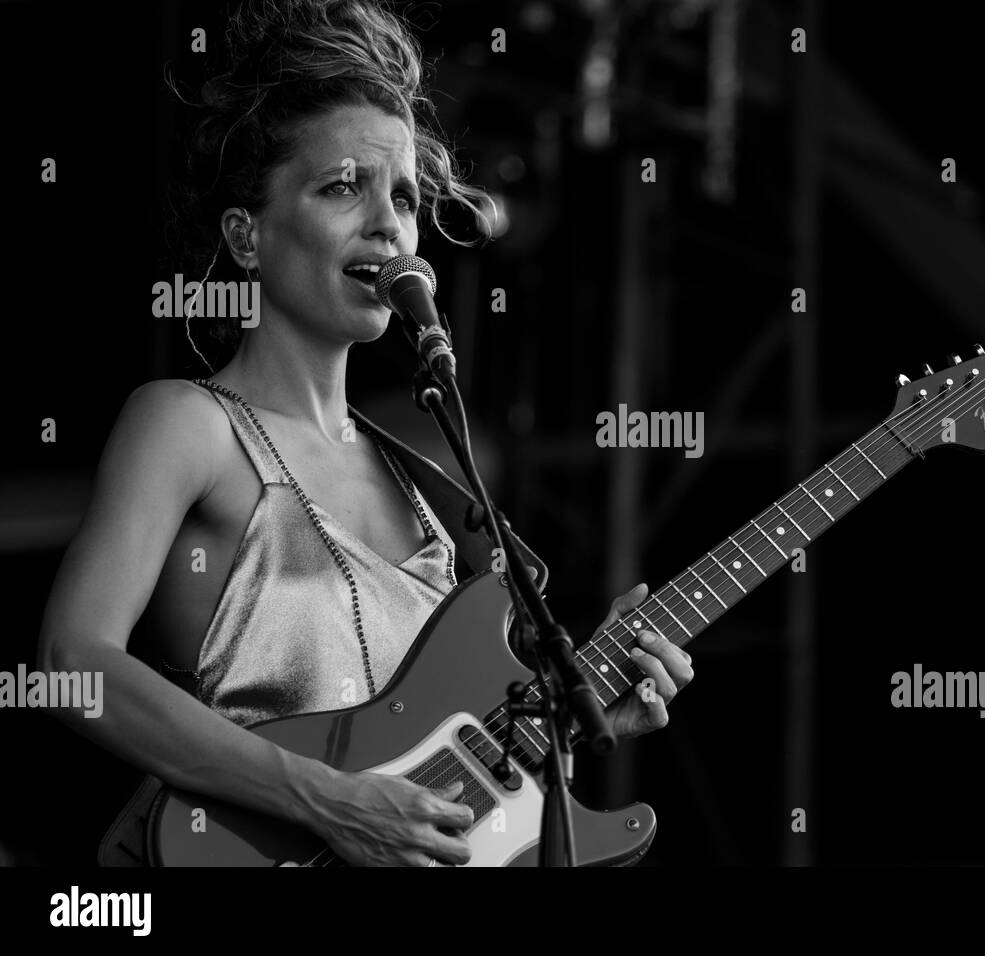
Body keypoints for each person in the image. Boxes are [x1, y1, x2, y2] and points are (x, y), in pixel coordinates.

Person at [35, 0, 692, 867]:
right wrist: (329, 802)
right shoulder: (188, 424)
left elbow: (420, 759)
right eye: (344, 186)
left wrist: (573, 714)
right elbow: (69, 661)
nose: (389, 222)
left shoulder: (424, 486)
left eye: (406, 197)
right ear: (247, 236)